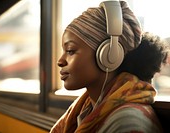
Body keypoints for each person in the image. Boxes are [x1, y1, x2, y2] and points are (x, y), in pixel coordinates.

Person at [50, 0, 169, 132]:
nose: (60, 61)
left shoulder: (127, 124)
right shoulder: (86, 110)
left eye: (70, 51)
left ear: (109, 55)